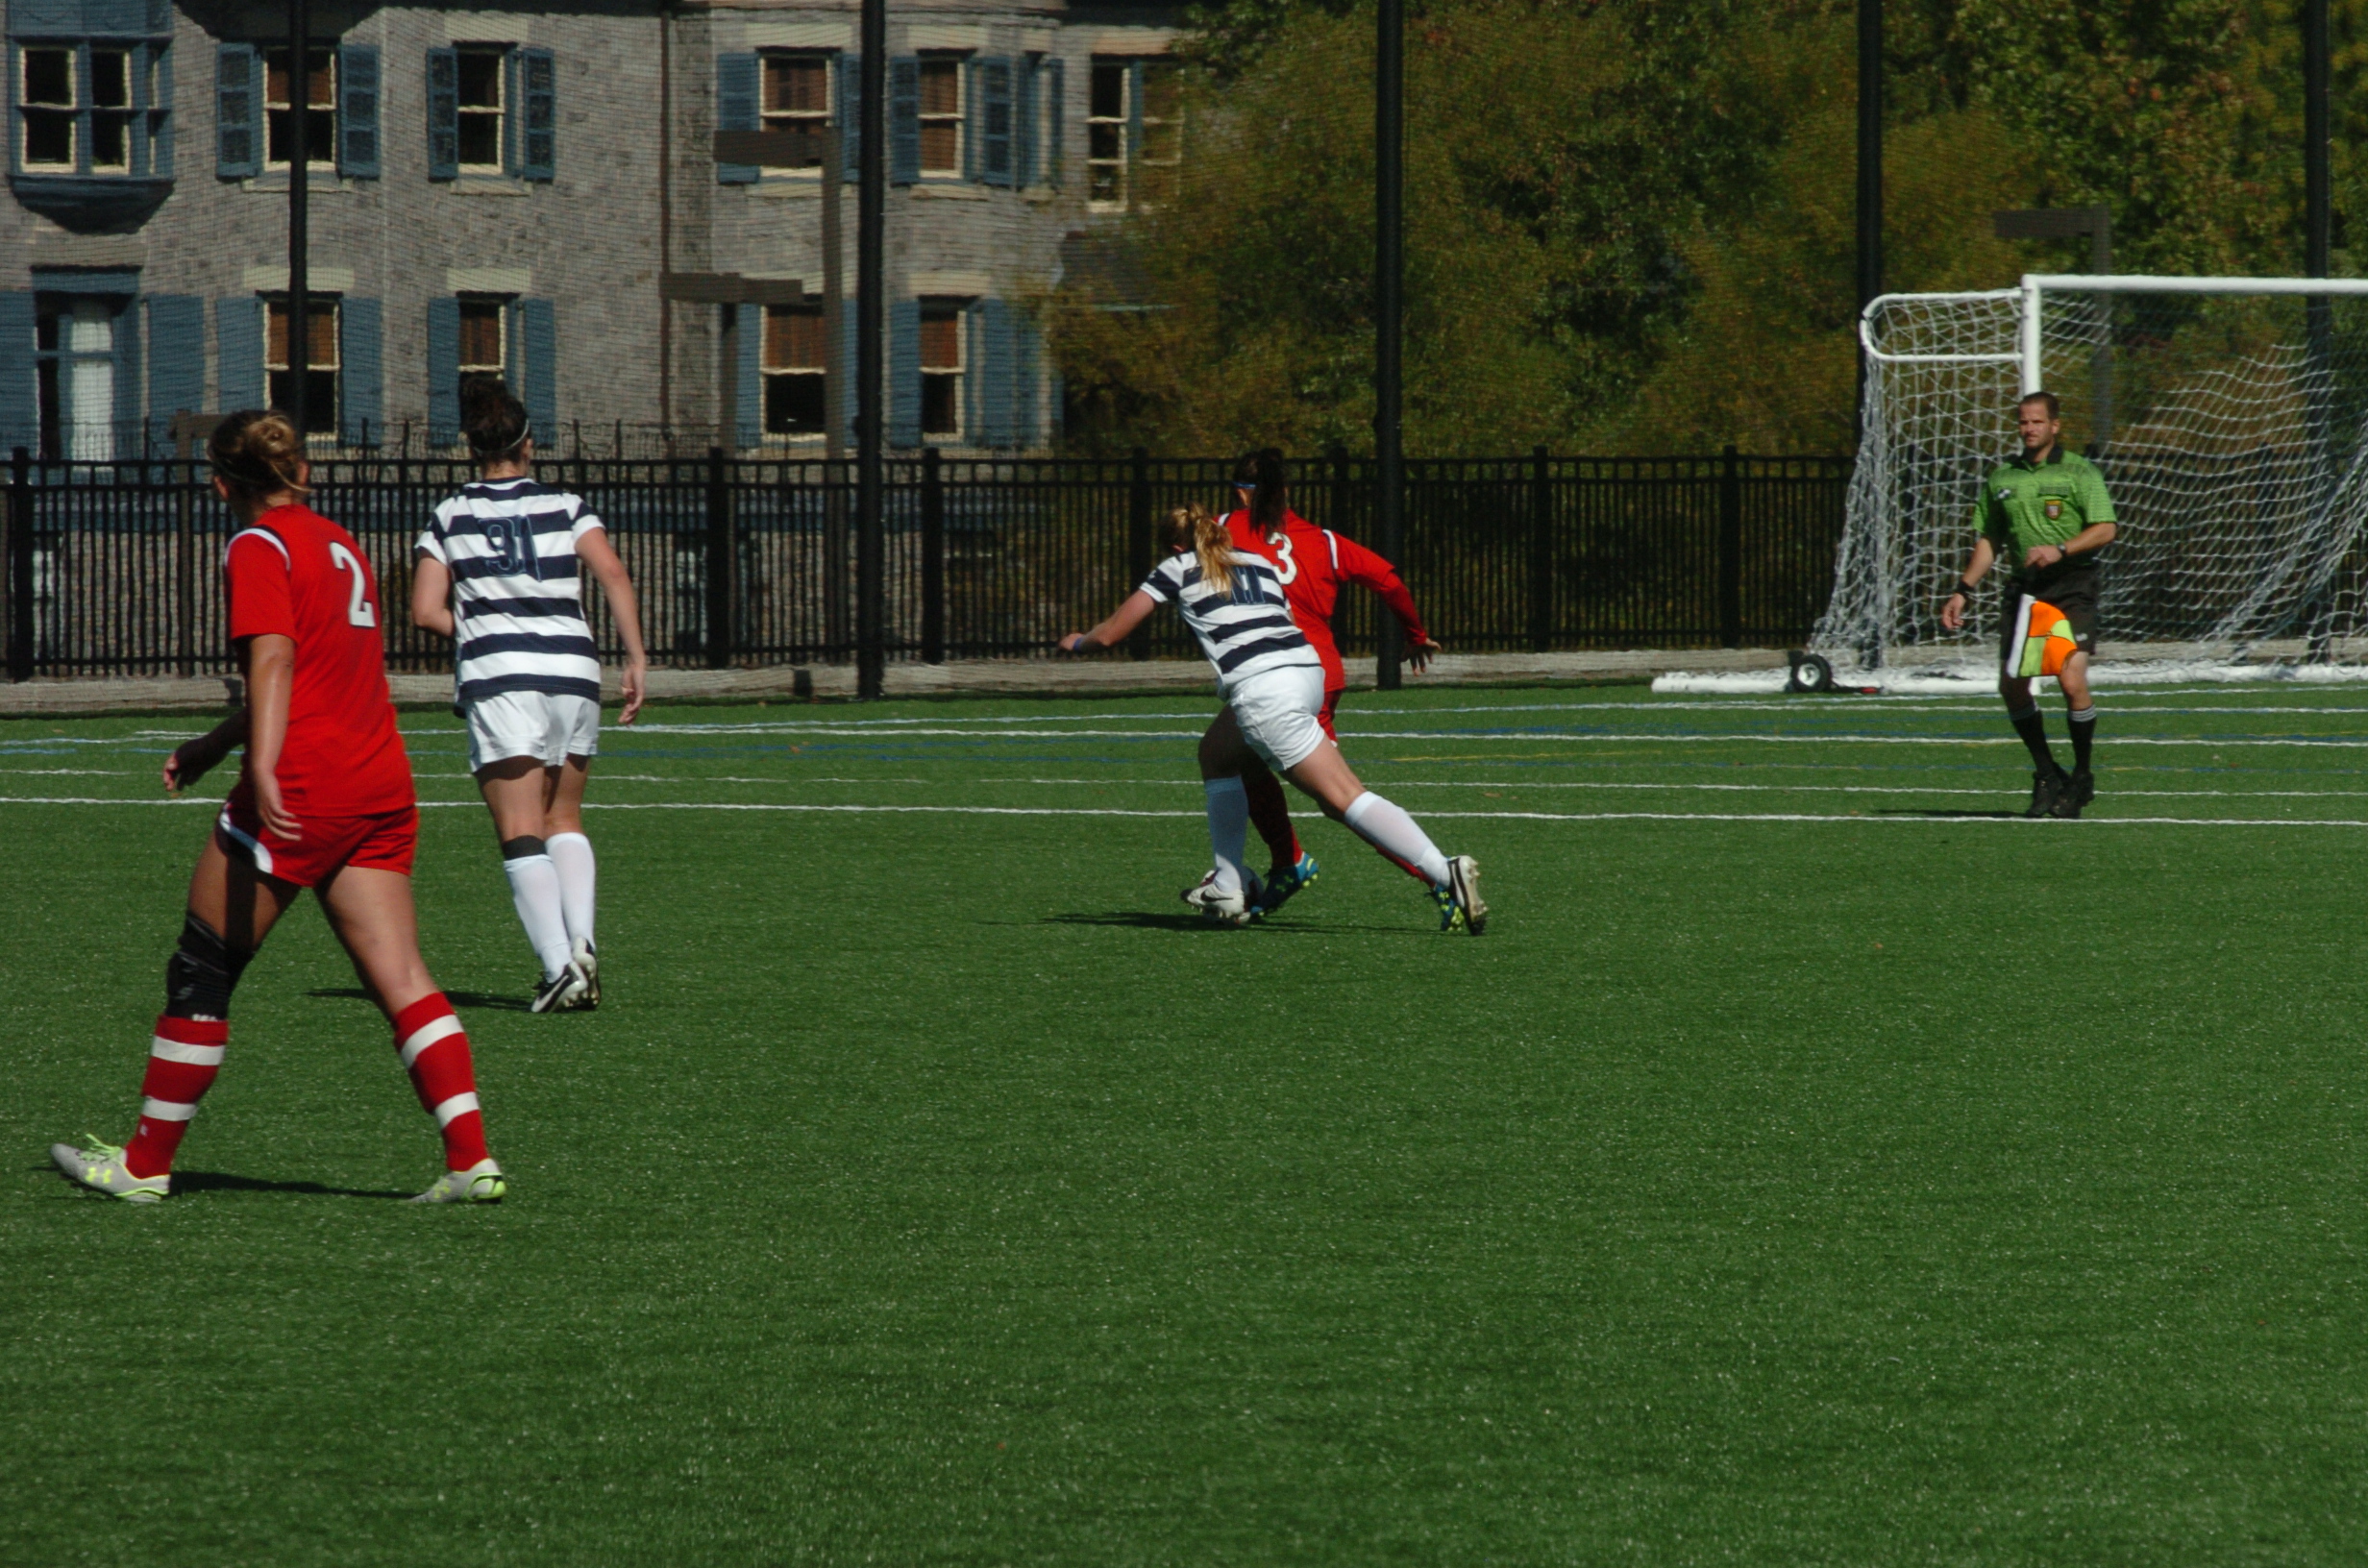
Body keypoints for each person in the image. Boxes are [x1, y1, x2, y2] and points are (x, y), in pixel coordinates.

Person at [50, 411, 506, 1204]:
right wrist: (216, 743)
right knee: (403, 977)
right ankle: (471, 1160)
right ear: (300, 470)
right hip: (378, 780)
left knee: (202, 969)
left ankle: (144, 1166)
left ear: (221, 485)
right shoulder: (339, 543)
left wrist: (259, 763)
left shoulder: (257, 545)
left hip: (305, 782)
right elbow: (321, 670)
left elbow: (275, 659)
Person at [1060, 505, 1487, 934]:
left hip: (1264, 691)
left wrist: (1078, 643)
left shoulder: (1177, 568)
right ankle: (1228, 882)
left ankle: (1443, 870)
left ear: (1176, 546)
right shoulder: (1257, 562)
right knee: (1217, 753)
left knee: (1342, 796)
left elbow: (1110, 634)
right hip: (1306, 673)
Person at [411, 380, 648, 1012]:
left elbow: (424, 609)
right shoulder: (567, 505)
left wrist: (487, 628)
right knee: (563, 818)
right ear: (528, 444)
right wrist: (636, 657)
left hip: (503, 677)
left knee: (519, 829)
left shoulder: (451, 514)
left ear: (472, 449)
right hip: (574, 670)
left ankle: (557, 967)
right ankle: (582, 944)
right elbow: (613, 572)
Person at [1212, 448, 1443, 916]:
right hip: (1321, 673)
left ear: (1240, 493)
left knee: (1339, 798)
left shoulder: (1221, 531)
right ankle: (1282, 863)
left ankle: (1441, 876)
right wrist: (1415, 635)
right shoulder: (1324, 541)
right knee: (1233, 758)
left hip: (1274, 676)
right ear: (1286, 491)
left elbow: (1178, 563)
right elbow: (1388, 580)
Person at [1940, 389, 2119, 819]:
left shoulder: (2079, 471)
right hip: (2026, 590)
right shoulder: (2003, 478)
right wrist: (1963, 589)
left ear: (2055, 425)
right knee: (2012, 686)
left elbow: (2106, 528)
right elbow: (1990, 539)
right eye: (2023, 421)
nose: (2029, 428)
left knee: (2070, 681)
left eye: (2037, 421)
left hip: (2072, 584)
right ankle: (2046, 772)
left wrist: (2061, 548)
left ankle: (2081, 777)